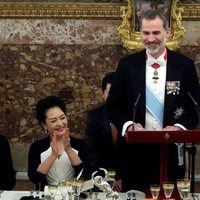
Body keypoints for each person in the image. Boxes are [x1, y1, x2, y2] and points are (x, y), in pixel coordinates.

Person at [106, 9, 200, 192]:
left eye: (156, 32)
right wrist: (128, 125)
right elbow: (113, 106)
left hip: (171, 151)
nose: (150, 39)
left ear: (168, 32)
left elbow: (195, 107)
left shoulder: (184, 66)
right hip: (134, 154)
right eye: (146, 33)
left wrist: (179, 128)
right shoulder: (127, 65)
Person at [28, 96, 87, 190]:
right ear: (44, 125)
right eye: (53, 121)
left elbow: (85, 175)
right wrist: (53, 155)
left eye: (62, 118)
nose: (60, 123)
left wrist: (69, 150)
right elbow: (34, 178)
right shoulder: (37, 147)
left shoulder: (80, 144)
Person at [84, 72, 122, 192]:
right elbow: (91, 153)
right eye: (110, 93)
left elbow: (138, 154)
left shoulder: (136, 118)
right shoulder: (94, 117)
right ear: (103, 94)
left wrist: (124, 178)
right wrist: (107, 179)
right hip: (101, 180)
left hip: (129, 181)